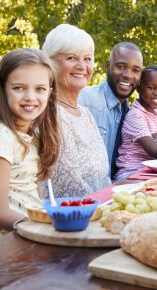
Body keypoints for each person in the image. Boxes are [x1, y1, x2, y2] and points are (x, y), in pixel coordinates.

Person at [0, 48, 61, 240]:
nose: (30, 97)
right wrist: (43, 230)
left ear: (50, 93)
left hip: (36, 230)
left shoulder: (29, 136)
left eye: (40, 89)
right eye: (19, 88)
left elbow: (30, 199)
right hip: (17, 241)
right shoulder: (0, 137)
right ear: (3, 90)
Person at [41, 24, 110, 197]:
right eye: (71, 58)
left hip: (100, 208)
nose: (81, 66)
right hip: (74, 217)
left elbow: (102, 177)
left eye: (87, 59)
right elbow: (70, 187)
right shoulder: (51, 115)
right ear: (50, 63)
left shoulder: (85, 113)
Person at [79, 42, 143, 180]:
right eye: (120, 67)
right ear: (107, 66)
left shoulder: (131, 114)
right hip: (85, 197)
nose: (128, 75)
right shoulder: (85, 100)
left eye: (135, 70)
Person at [116, 66, 157, 178]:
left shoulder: (156, 115)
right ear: (139, 88)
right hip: (131, 173)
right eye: (151, 88)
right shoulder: (135, 115)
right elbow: (154, 151)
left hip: (150, 172)